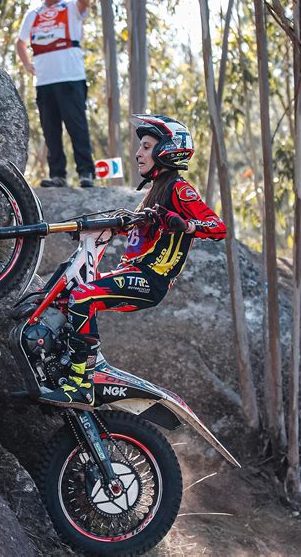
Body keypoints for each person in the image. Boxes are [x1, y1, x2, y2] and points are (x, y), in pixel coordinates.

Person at [39, 114, 227, 410]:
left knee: (83, 297)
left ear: (167, 149)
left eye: (146, 146)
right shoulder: (152, 192)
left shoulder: (179, 189)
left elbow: (218, 226)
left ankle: (81, 383)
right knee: (68, 284)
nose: (139, 153)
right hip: (132, 272)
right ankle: (59, 364)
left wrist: (185, 224)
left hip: (151, 280)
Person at [16, 0, 96, 189]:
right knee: (50, 130)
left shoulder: (71, 7)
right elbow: (20, 43)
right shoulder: (33, 14)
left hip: (71, 77)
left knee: (77, 126)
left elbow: (86, 0)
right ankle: (58, 175)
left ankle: (86, 172)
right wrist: (27, 64)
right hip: (44, 80)